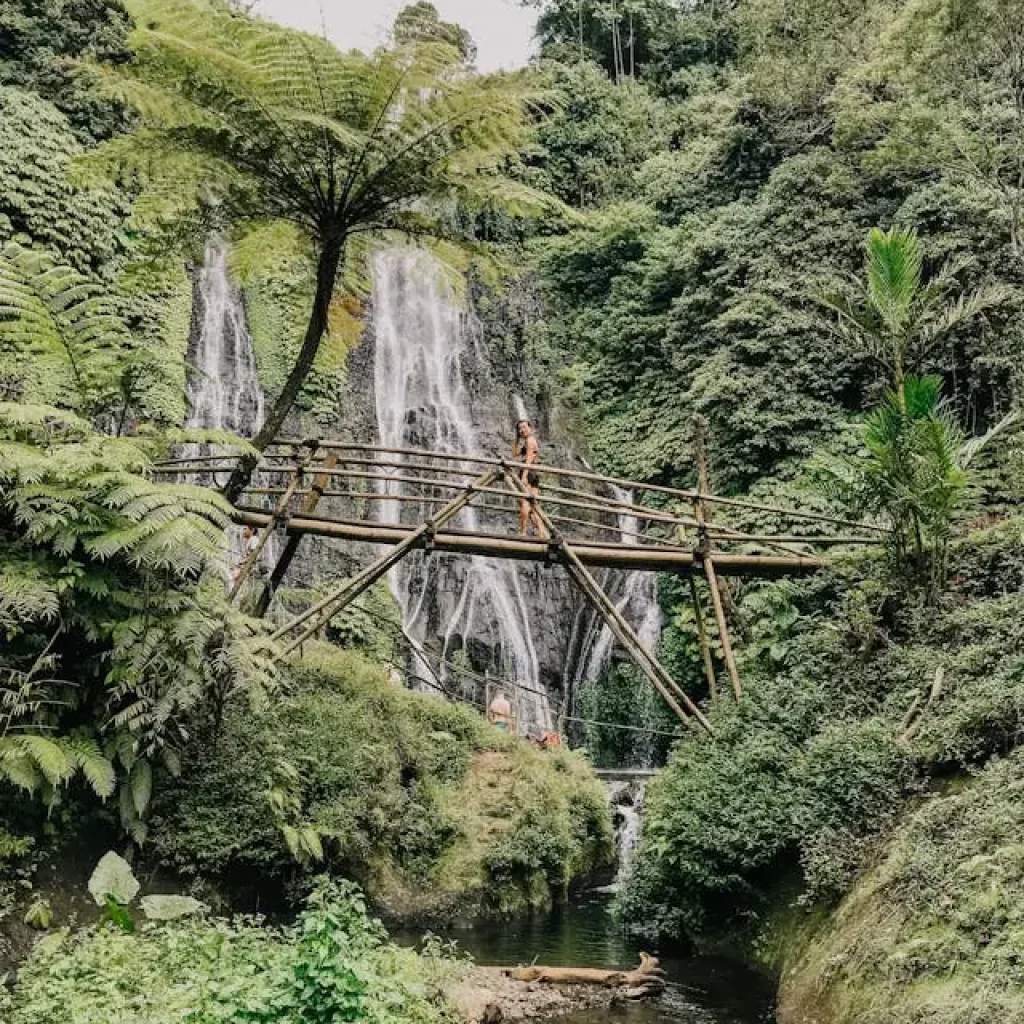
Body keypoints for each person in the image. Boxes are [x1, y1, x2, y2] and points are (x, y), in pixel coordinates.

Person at [514, 419, 547, 538]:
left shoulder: (529, 441)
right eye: (519, 429)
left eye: (524, 427)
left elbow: (528, 459)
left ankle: (522, 532)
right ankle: (541, 531)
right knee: (533, 504)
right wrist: (517, 439)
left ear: (530, 428)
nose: (522, 430)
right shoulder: (529, 440)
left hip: (528, 472)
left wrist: (524, 475)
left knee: (524, 503)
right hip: (534, 473)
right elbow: (515, 453)